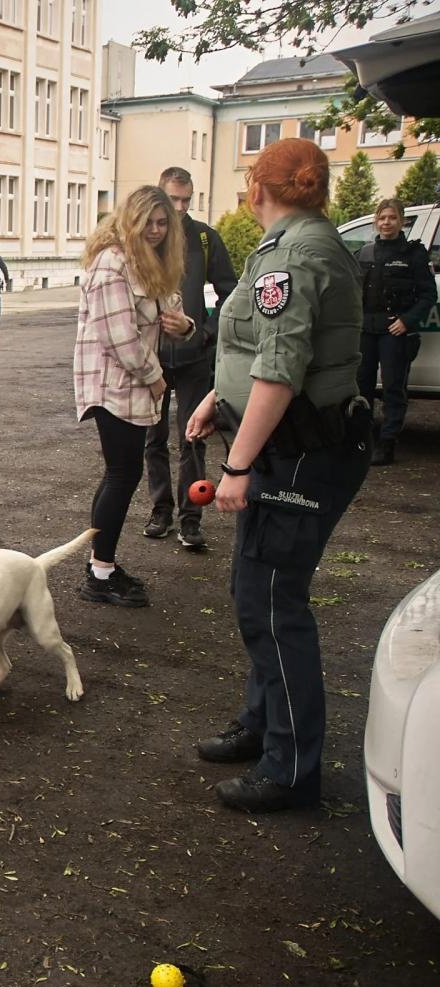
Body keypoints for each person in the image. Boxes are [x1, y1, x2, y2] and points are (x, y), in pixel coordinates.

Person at [186, 138, 373, 813]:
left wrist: (236, 465)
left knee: (272, 602)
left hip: (298, 451)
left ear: (255, 186)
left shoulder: (293, 254)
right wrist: (218, 399)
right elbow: (257, 347)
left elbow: (281, 367)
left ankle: (290, 767)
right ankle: (264, 724)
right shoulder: (291, 244)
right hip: (285, 443)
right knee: (253, 589)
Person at [72, 185, 195, 609]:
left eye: (164, 223)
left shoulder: (147, 261)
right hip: (114, 384)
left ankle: (99, 566)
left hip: (129, 384)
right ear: (131, 220)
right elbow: (119, 337)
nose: (157, 230)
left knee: (118, 474)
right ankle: (100, 573)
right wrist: (156, 378)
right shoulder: (111, 262)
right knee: (122, 475)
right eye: (149, 223)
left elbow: (169, 310)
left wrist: (186, 326)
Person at [142, 166, 238, 551]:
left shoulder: (205, 238)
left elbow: (230, 291)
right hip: (153, 360)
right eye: (173, 199)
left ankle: (191, 517)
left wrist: (208, 332)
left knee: (193, 438)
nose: (180, 207)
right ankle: (160, 509)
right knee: (153, 438)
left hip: (195, 357)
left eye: (186, 200)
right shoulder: (146, 238)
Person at [355, 198, 437, 466]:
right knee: (361, 387)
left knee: (393, 388)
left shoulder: (413, 254)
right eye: (381, 218)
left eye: (391, 218)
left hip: (395, 331)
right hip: (366, 330)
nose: (386, 223)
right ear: (375, 221)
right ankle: (362, 440)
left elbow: (427, 295)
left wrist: (407, 321)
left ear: (401, 221)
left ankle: (387, 443)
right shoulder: (365, 253)